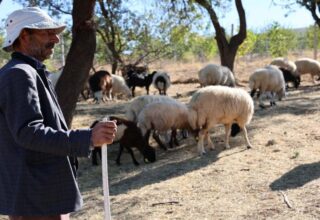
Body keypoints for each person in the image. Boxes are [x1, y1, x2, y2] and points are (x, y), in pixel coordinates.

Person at [0, 7, 117, 220]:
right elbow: (29, 133)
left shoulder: (29, 72)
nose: (55, 39)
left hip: (38, 197)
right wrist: (88, 137)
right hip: (37, 199)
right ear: (24, 35)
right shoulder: (19, 74)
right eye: (47, 32)